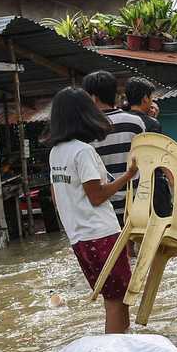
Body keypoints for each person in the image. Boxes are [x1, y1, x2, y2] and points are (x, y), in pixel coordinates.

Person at [46, 86, 139, 334]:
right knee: (116, 301)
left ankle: (124, 345)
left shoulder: (56, 153)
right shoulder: (83, 151)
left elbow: (56, 198)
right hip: (101, 234)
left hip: (80, 238)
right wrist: (128, 176)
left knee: (117, 297)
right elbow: (97, 196)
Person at [81, 71, 150, 224]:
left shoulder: (86, 130)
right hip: (136, 201)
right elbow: (144, 161)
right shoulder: (135, 122)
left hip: (104, 206)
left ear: (92, 97)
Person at [121, 76, 173, 218]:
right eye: (151, 98)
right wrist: (174, 183)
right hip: (153, 184)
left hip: (129, 185)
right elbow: (160, 158)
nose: (151, 103)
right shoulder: (151, 123)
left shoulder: (121, 121)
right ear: (145, 98)